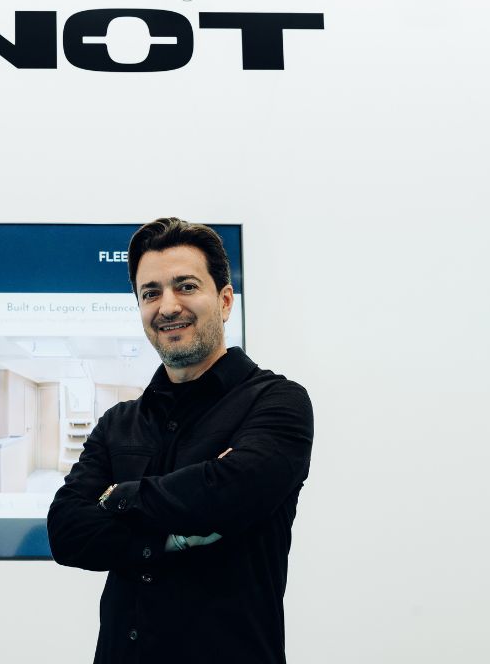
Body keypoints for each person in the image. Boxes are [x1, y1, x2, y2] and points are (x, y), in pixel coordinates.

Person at [47, 217, 313, 664]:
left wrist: (121, 496)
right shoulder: (119, 422)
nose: (167, 306)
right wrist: (171, 535)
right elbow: (67, 532)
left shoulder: (276, 402)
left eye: (186, 286)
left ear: (224, 301)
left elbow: (232, 493)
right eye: (150, 293)